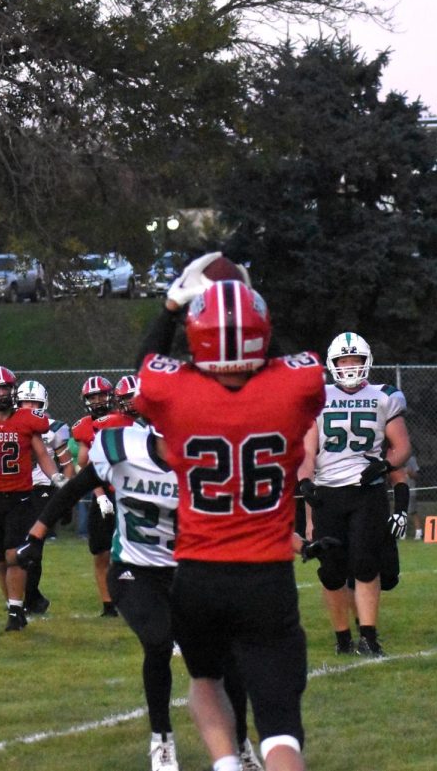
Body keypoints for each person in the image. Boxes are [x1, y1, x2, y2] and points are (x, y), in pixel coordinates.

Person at [135, 257, 324, 771]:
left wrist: (172, 304)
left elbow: (146, 363)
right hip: (267, 574)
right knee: (281, 725)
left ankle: (225, 765)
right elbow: (287, 366)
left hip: (198, 572)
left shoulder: (174, 390)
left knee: (204, 682)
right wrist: (246, 300)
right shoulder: (293, 386)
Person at [17, 417, 267, 771]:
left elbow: (243, 518)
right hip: (135, 569)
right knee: (158, 641)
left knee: (226, 658)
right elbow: (76, 487)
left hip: (191, 572)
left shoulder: (209, 463)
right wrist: (36, 537)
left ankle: (240, 741)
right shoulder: (123, 449)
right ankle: (161, 740)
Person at [296, 331, 411, 657]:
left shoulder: (384, 395)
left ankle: (369, 636)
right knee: (331, 570)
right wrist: (305, 483)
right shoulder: (317, 397)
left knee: (365, 564)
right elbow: (307, 451)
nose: (349, 366)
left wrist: (383, 466)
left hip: (366, 492)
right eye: (344, 360)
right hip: (328, 493)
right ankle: (342, 636)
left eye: (355, 360)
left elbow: (402, 447)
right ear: (333, 364)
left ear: (367, 361)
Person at [0, 366, 62, 632]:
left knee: (15, 555)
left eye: (5, 388)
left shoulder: (26, 419)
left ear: (13, 389)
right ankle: (14, 606)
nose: (1, 393)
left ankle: (15, 611)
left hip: (20, 496)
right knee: (0, 558)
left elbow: (42, 455)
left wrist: (57, 478)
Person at [71, 375, 134, 617]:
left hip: (130, 492)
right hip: (105, 492)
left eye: (100, 395)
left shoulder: (127, 421)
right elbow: (84, 464)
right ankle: (108, 605)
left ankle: (132, 597)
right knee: (101, 551)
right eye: (92, 396)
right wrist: (99, 495)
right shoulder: (84, 427)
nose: (97, 400)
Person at [15, 379, 71, 615]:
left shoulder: (55, 427)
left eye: (34, 402)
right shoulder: (9, 424)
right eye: (24, 402)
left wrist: (66, 495)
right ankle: (30, 596)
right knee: (15, 548)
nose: (29, 407)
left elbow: (67, 465)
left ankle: (30, 597)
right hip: (16, 489)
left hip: (43, 489)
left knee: (33, 548)